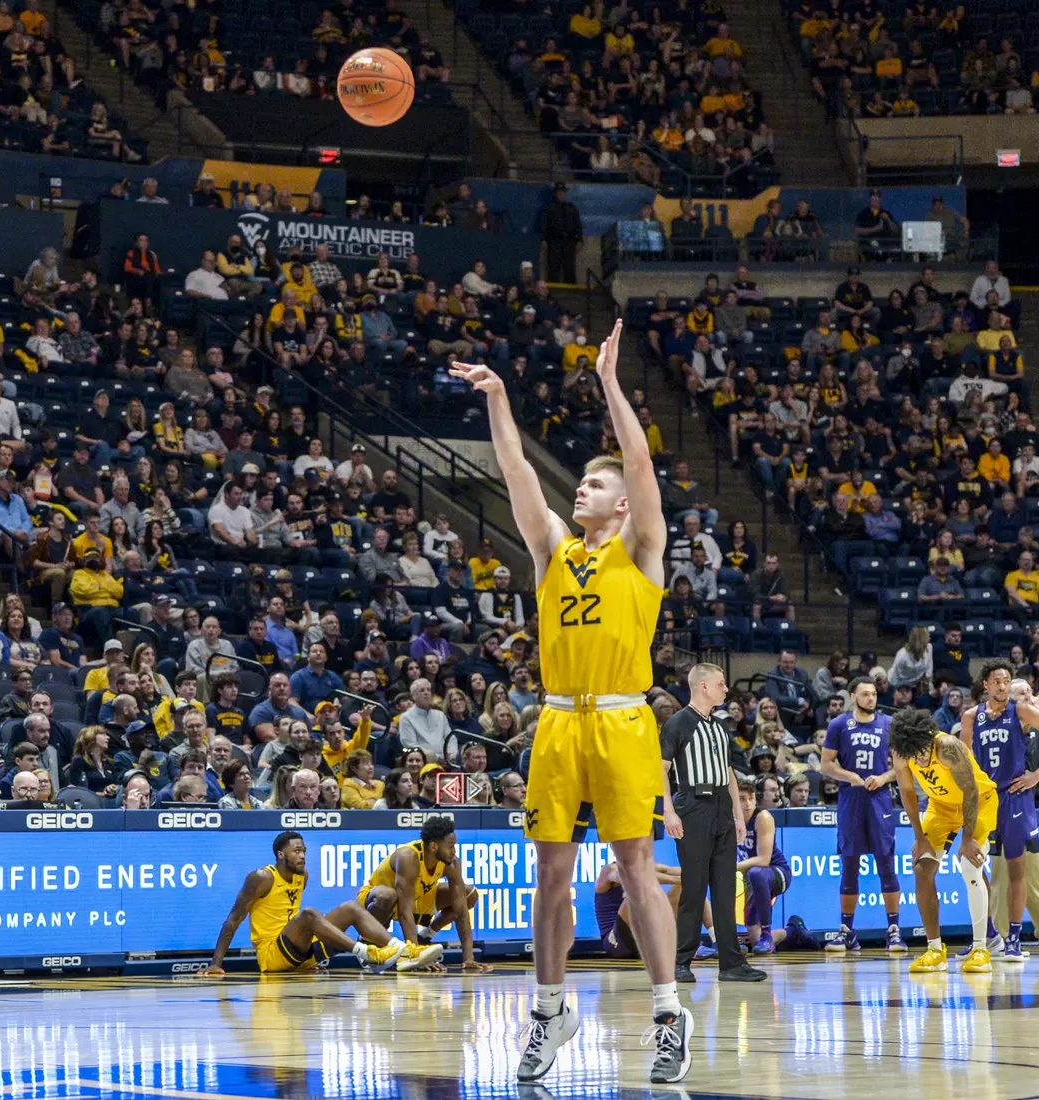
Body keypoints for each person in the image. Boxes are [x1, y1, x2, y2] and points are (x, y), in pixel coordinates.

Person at [456, 323, 687, 1085]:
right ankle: (550, 1011)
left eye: (594, 483)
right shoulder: (554, 549)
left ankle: (666, 1015)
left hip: (622, 716)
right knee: (550, 874)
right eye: (581, 483)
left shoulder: (643, 548)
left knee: (637, 866)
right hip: (557, 719)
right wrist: (499, 399)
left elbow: (643, 461)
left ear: (622, 506)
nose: (579, 488)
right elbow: (516, 468)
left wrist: (610, 383)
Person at [957, 660, 1039, 963]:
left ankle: (1013, 938)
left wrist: (1037, 776)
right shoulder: (971, 717)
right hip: (984, 798)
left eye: (1006, 681)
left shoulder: (1021, 711)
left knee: (1016, 870)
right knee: (969, 865)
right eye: (996, 681)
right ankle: (987, 936)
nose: (1002, 686)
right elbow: (962, 765)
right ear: (985, 685)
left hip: (1014, 797)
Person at [659, 663, 764, 982]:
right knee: (693, 887)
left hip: (720, 807)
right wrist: (668, 810)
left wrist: (737, 814)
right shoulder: (678, 723)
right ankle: (680, 962)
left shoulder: (719, 726)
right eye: (721, 683)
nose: (726, 689)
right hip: (692, 805)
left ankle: (731, 963)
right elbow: (660, 770)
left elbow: (729, 773)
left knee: (724, 887)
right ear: (703, 686)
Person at [199, 831, 409, 976]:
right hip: (272, 956)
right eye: (296, 851)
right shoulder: (261, 877)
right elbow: (233, 919)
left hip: (298, 953)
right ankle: (367, 953)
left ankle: (405, 951)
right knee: (308, 914)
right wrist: (216, 963)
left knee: (350, 908)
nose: (302, 856)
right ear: (281, 855)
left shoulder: (302, 875)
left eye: (304, 851)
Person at [890, 708, 995, 974]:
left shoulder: (948, 746)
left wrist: (968, 838)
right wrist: (919, 837)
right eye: (915, 755)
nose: (921, 759)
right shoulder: (901, 751)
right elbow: (906, 792)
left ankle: (981, 948)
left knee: (970, 867)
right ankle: (935, 950)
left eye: (923, 751)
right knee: (922, 868)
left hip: (978, 802)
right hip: (940, 807)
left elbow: (970, 791)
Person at [818, 677, 904, 952]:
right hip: (851, 799)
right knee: (850, 865)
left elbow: (903, 766)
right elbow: (826, 764)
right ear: (853, 696)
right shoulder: (839, 725)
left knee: (886, 865)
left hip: (879, 799)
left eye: (874, 694)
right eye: (865, 694)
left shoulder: (888, 724)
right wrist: (850, 776)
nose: (871, 699)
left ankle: (893, 930)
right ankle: (846, 930)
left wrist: (884, 777)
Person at [356, 818, 483, 972]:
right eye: (450, 847)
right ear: (433, 846)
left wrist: (468, 958)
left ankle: (425, 936)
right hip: (377, 901)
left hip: (417, 897)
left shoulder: (452, 863)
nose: (454, 851)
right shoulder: (408, 857)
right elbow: (405, 912)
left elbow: (461, 912)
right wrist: (417, 957)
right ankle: (368, 942)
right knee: (386, 895)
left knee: (469, 894)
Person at [733, 778, 789, 954]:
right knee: (754, 940)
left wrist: (731, 868)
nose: (747, 803)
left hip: (777, 873)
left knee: (757, 873)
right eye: (741, 798)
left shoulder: (762, 817)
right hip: (751, 875)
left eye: (751, 798)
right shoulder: (728, 820)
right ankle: (793, 931)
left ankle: (767, 933)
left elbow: (764, 860)